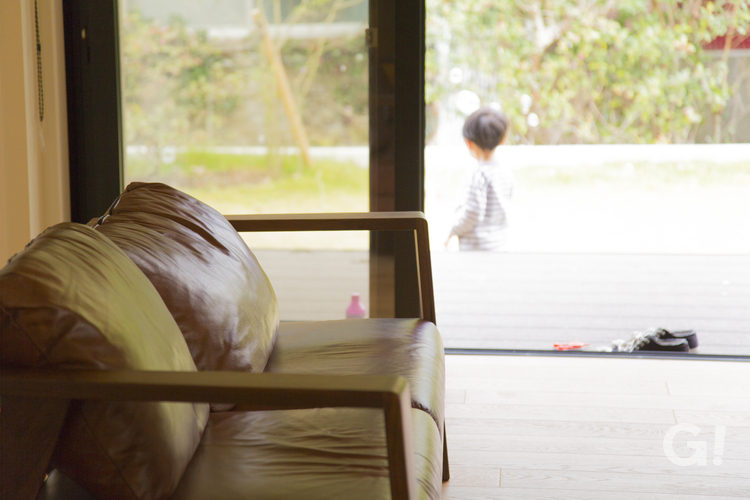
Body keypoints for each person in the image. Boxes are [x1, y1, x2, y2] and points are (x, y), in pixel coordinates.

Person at [445, 106, 515, 251]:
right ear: (502, 140)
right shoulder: (506, 172)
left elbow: (472, 212)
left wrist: (453, 230)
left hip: (477, 250)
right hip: (499, 246)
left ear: (468, 142)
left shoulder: (478, 174)